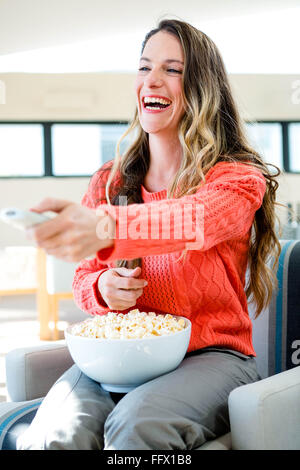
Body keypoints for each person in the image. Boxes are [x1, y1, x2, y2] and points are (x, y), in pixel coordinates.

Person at [18, 18, 281, 450]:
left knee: (137, 426)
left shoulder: (235, 179)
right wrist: (103, 288)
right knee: (57, 436)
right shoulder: (109, 180)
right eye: (144, 67)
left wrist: (106, 226)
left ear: (201, 87)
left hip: (212, 357)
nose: (152, 80)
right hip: (116, 355)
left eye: (172, 70)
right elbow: (84, 279)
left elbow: (193, 220)